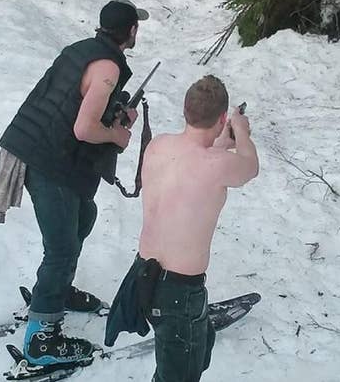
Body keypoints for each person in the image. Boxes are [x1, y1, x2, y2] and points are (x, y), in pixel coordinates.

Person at [0, 0, 148, 366]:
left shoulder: (81, 50)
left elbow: (72, 103)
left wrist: (115, 113)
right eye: (136, 26)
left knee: (83, 218)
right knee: (61, 249)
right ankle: (42, 342)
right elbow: (84, 127)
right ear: (130, 30)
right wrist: (116, 135)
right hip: (49, 161)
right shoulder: (108, 67)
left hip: (43, 150)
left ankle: (57, 291)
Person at [104, 75, 259, 382]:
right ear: (222, 118)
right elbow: (249, 166)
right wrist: (240, 131)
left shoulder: (159, 146)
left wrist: (221, 139)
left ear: (186, 110)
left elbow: (197, 157)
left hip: (144, 275)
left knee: (194, 354)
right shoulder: (217, 164)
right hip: (178, 292)